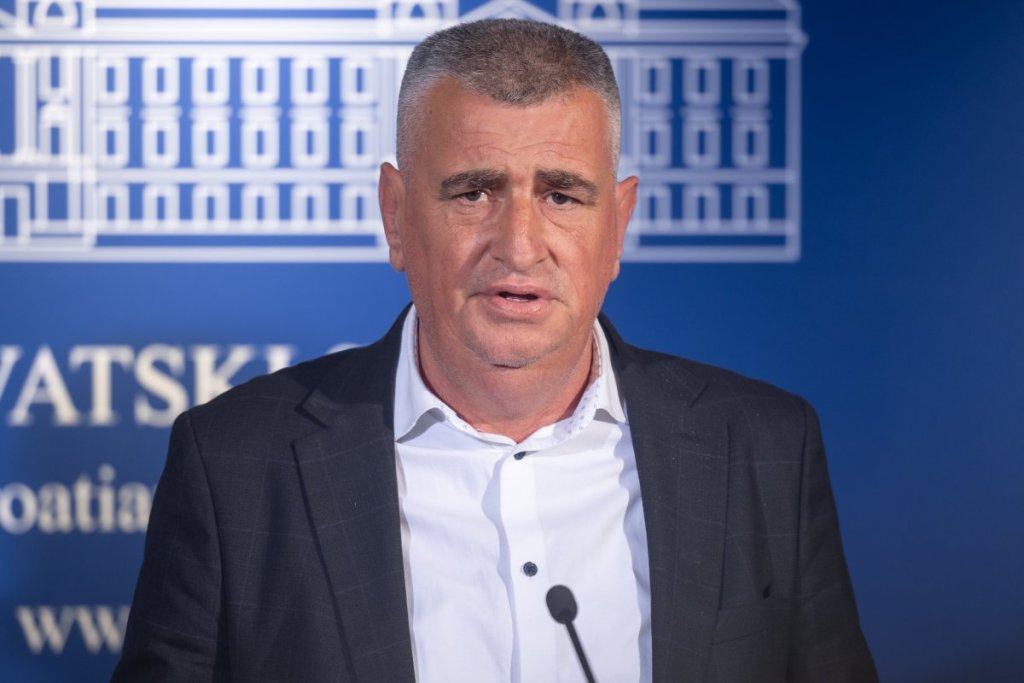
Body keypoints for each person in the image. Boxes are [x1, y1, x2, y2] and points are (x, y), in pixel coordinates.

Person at [113, 18, 877, 683]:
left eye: (562, 195)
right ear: (395, 216)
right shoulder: (234, 464)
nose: (518, 245)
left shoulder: (765, 448)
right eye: (473, 192)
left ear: (618, 225)